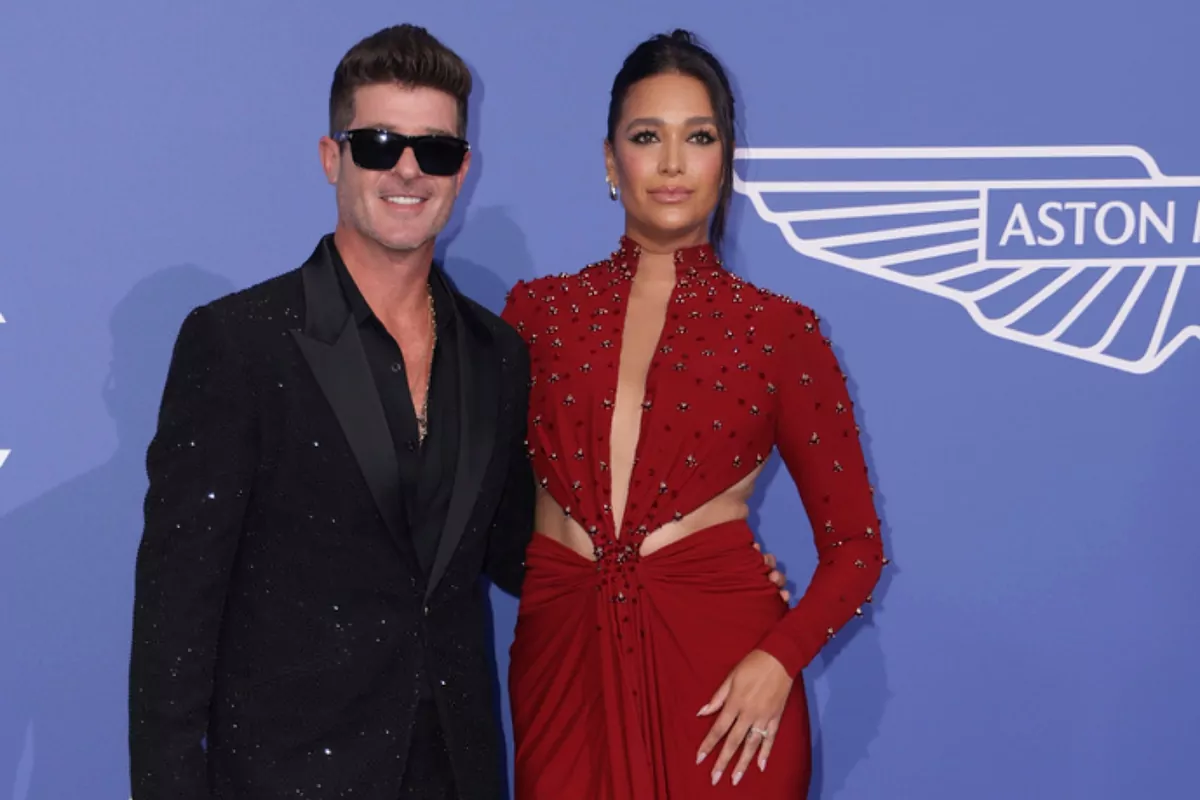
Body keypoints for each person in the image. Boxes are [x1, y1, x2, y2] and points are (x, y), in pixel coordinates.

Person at [127, 23, 788, 800]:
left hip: (454, 773)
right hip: (286, 779)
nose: (408, 170)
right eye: (379, 144)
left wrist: (692, 575)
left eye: (435, 150)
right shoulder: (241, 344)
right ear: (332, 157)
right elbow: (173, 628)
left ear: (462, 170)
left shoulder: (495, 353)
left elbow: (519, 551)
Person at [501, 30, 887, 799]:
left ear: (726, 160)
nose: (673, 163)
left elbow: (856, 548)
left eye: (699, 137)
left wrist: (778, 659)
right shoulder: (537, 314)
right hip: (563, 672)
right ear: (610, 161)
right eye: (647, 137)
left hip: (725, 699)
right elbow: (478, 506)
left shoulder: (781, 332)